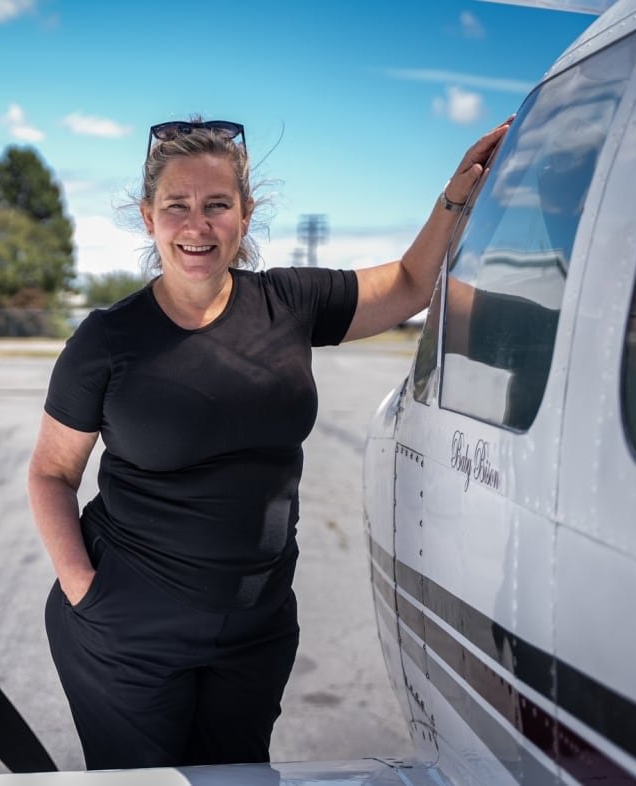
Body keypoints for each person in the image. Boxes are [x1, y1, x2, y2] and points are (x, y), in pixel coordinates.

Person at [27, 116, 509, 770]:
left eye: (217, 205)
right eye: (177, 206)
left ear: (245, 215)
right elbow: (52, 473)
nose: (197, 225)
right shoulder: (106, 340)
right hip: (126, 633)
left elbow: (408, 285)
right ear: (148, 218)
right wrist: (85, 588)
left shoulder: (291, 302)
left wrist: (455, 197)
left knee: (241, 778)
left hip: (255, 631)